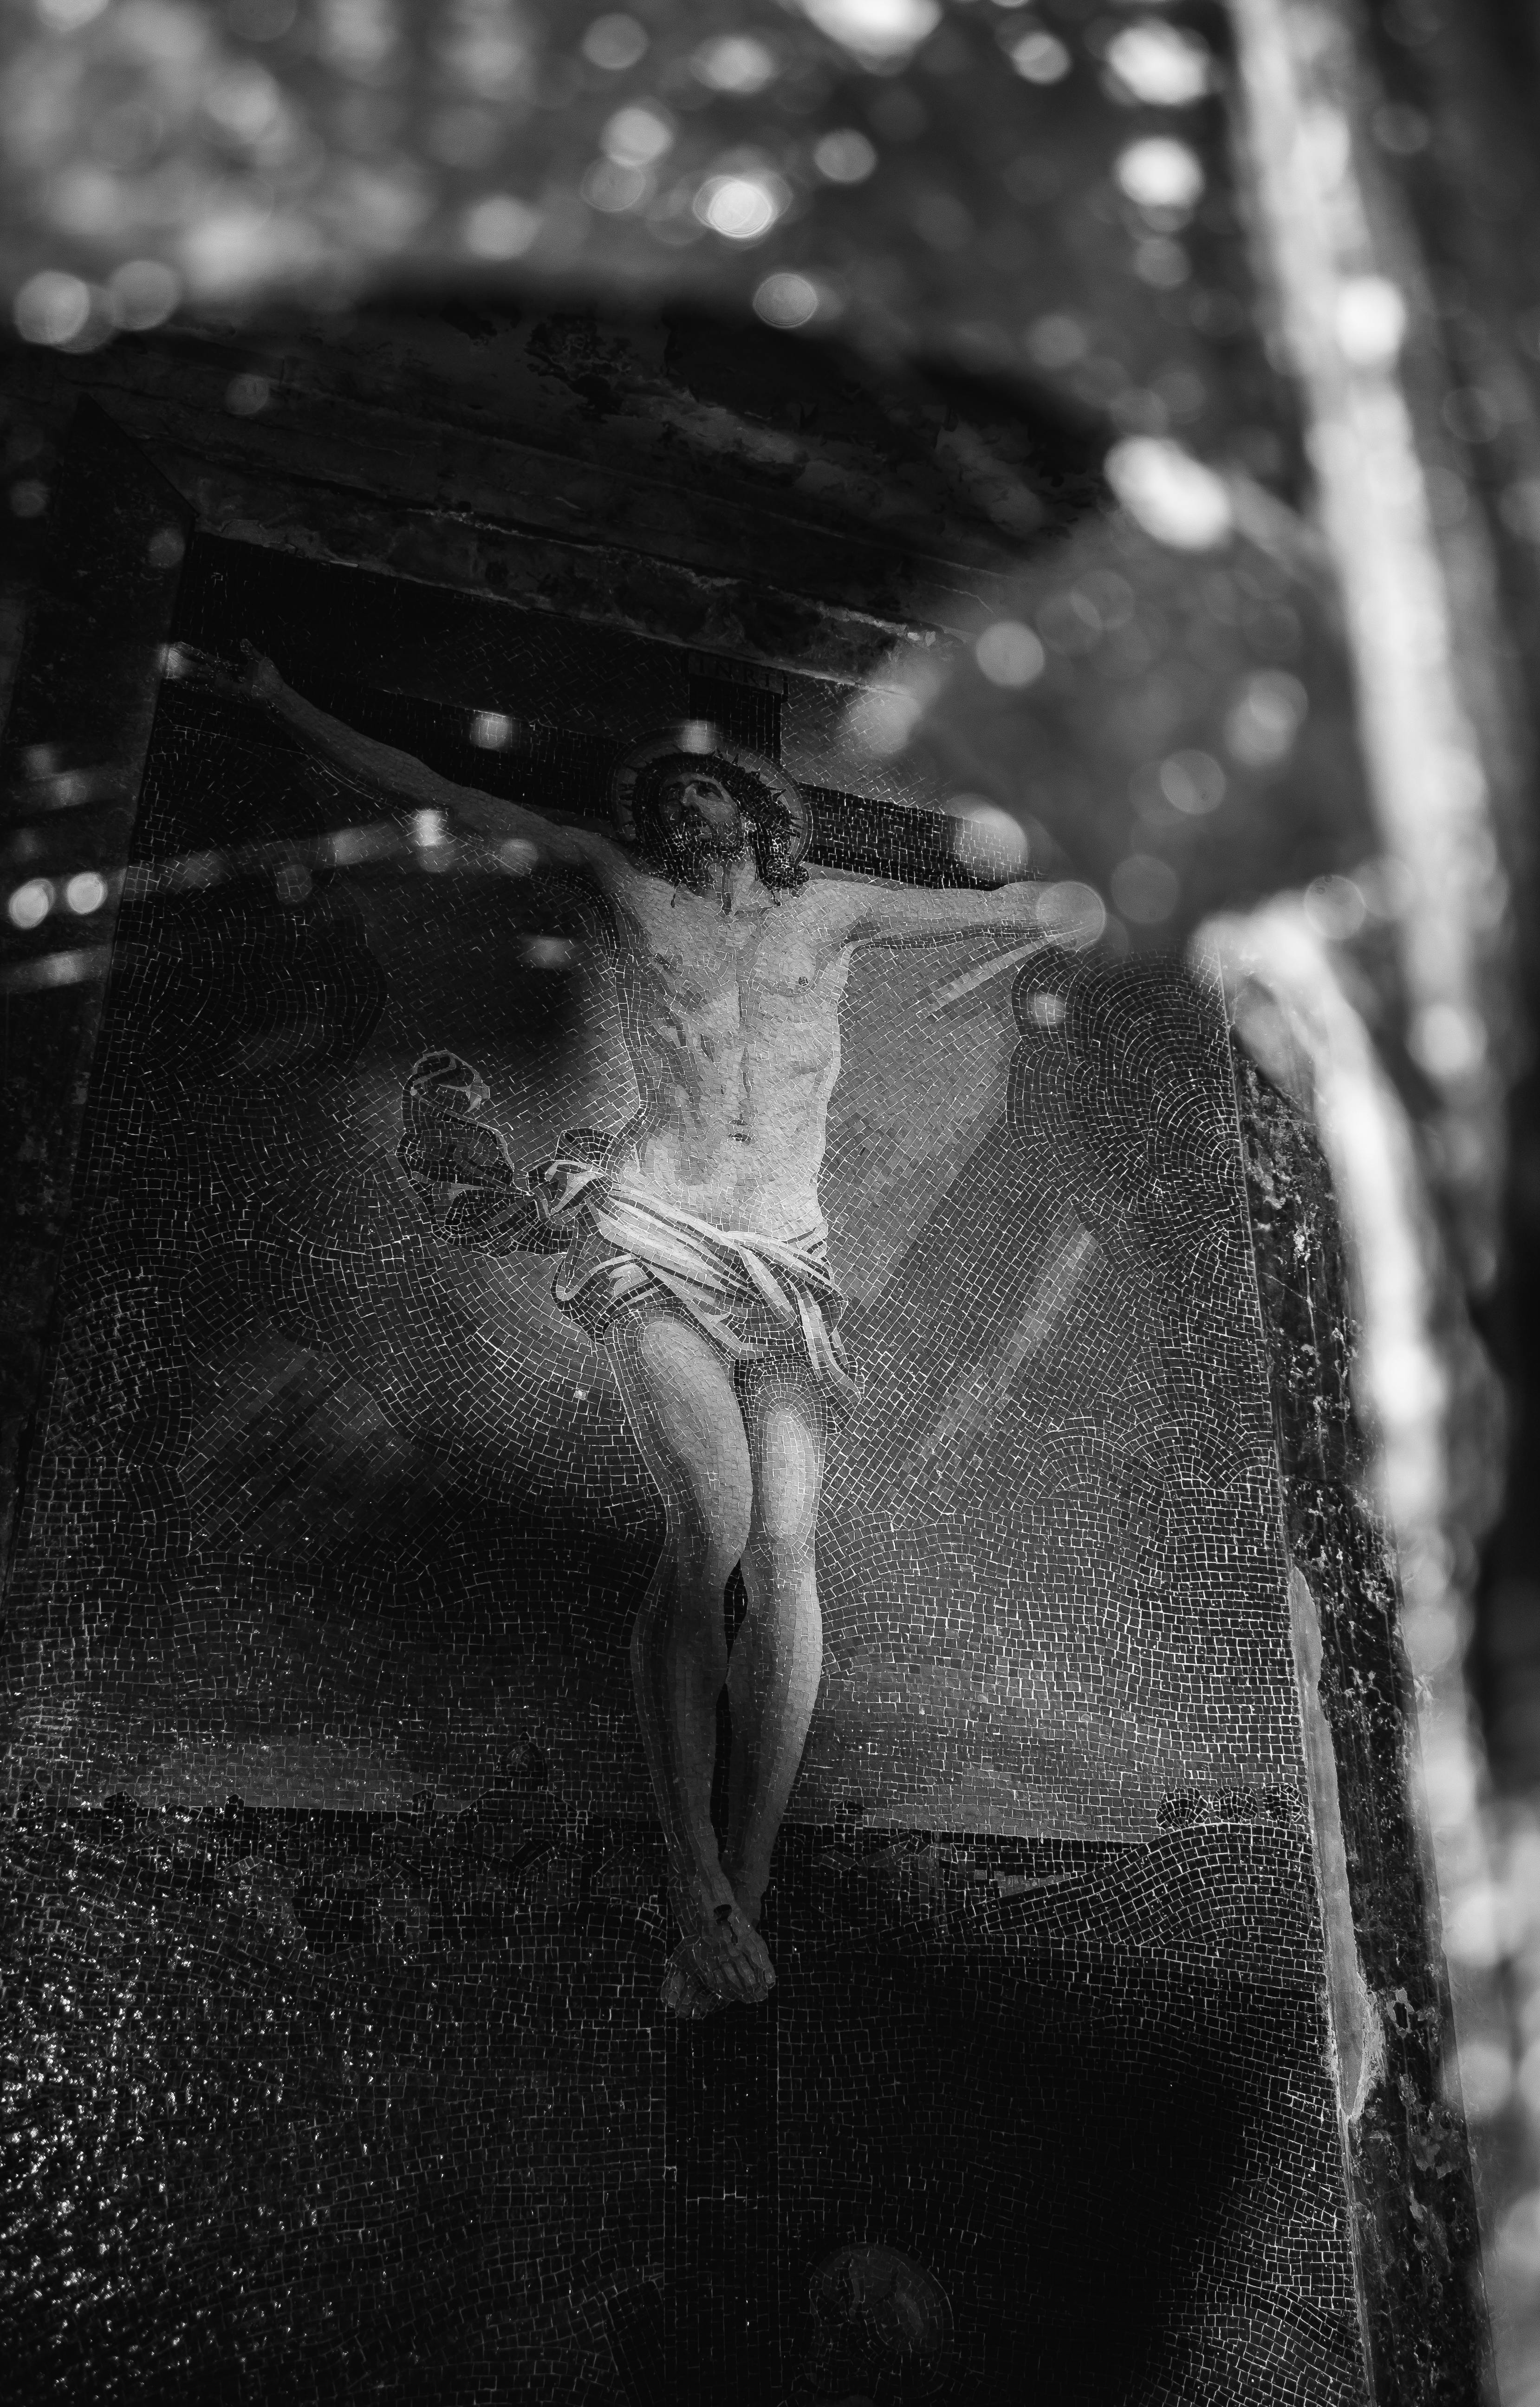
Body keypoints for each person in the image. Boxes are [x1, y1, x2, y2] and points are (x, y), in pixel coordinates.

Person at [185, 643, 1098, 2018]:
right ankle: (690, 1876)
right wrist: (278, 696)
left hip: (786, 1259)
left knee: (790, 1556)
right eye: (672, 797)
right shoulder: (626, 894)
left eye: (717, 793)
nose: (693, 812)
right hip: (657, 1235)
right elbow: (445, 792)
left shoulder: (835, 912)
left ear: (764, 813)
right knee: (714, 1532)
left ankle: (739, 1889)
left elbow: (1020, 901)